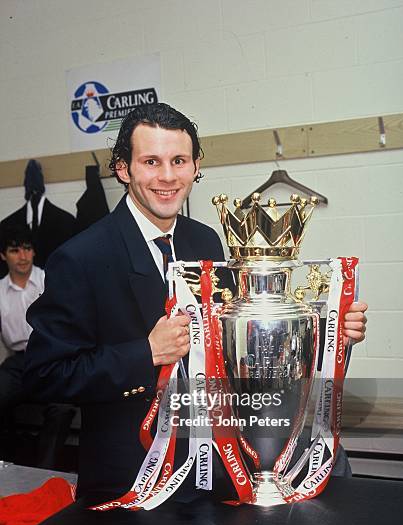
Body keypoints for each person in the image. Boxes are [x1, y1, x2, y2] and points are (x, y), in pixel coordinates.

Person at [24, 103, 367, 502]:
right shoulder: (81, 257)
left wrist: (328, 338)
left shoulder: (205, 242)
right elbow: (44, 374)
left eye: (179, 161)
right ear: (123, 168)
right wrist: (145, 353)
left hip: (217, 468)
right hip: (131, 480)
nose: (167, 176)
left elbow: (235, 349)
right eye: (151, 161)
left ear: (196, 165)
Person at [0, 224, 74, 468]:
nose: (22, 256)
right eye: (14, 251)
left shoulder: (50, 280)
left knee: (62, 407)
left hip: (53, 357)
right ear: (3, 255)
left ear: (34, 252)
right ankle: (8, 464)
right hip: (19, 360)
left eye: (27, 249)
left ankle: (44, 473)